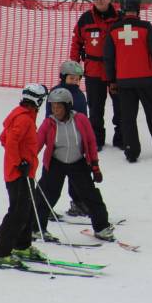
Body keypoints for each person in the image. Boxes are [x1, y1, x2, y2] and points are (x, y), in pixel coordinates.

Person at [33, 88, 114, 242]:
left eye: (59, 107)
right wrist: (28, 160)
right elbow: (37, 142)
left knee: (90, 196)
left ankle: (102, 227)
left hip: (78, 162)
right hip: (55, 163)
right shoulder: (48, 123)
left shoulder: (81, 119)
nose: (55, 110)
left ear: (68, 106)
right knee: (45, 195)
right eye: (53, 107)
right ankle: (36, 227)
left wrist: (95, 166)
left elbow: (90, 142)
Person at [103, 0, 152, 163]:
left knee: (127, 118)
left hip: (124, 82)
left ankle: (131, 151)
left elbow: (109, 58)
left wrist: (111, 80)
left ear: (123, 9)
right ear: (138, 9)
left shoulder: (114, 30)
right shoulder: (146, 28)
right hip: (147, 80)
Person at [0, 83, 48, 267]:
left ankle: (22, 246)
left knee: (27, 210)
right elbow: (11, 141)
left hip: (25, 172)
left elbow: (3, 137)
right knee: (17, 213)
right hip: (18, 174)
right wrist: (19, 162)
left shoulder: (24, 116)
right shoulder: (24, 119)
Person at [70, 0, 121, 150]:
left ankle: (121, 138)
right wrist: (74, 67)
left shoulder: (120, 18)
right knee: (95, 108)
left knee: (121, 106)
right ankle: (96, 139)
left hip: (116, 72)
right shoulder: (85, 19)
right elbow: (76, 42)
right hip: (93, 71)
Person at [45, 60, 90, 218]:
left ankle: (78, 203)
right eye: (71, 78)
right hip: (58, 143)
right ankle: (44, 207)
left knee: (79, 176)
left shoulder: (80, 96)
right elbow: (49, 118)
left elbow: (84, 119)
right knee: (52, 180)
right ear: (63, 77)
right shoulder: (56, 94)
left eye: (77, 79)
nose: (75, 82)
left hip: (76, 143)